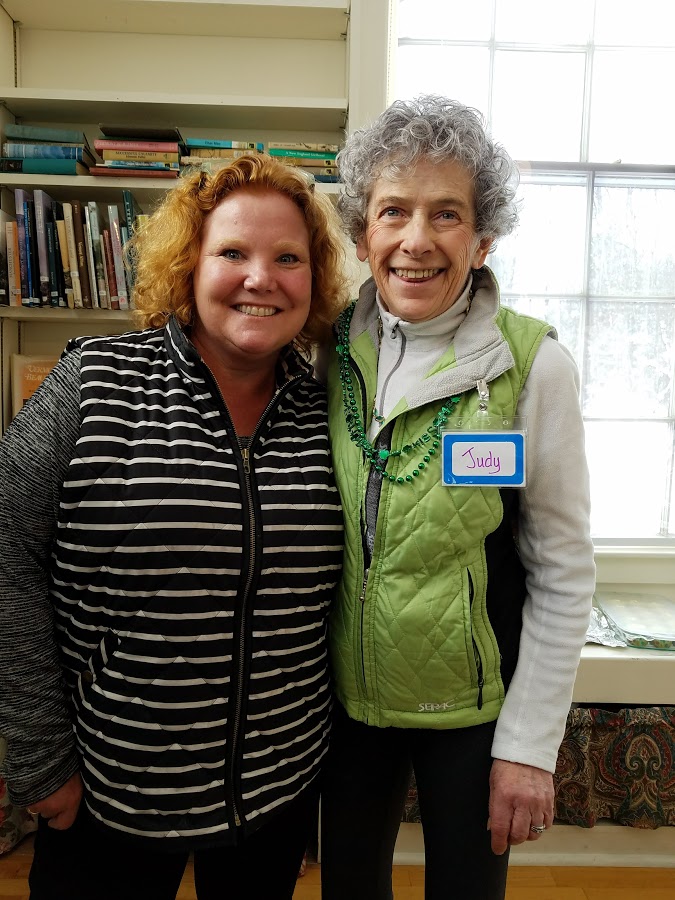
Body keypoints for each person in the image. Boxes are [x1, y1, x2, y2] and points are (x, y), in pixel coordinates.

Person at [0, 155, 350, 900]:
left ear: (315, 278)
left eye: (288, 258)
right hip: (107, 794)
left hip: (277, 793)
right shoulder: (94, 380)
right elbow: (7, 553)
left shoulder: (328, 409)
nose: (261, 278)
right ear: (190, 264)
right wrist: (40, 757)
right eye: (233, 252)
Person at [320, 95, 596, 899]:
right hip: (344, 706)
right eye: (393, 211)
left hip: (474, 713)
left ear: (482, 239)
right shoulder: (323, 352)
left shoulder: (532, 366)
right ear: (361, 233)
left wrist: (528, 748)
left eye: (446, 214)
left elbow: (562, 570)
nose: (416, 239)